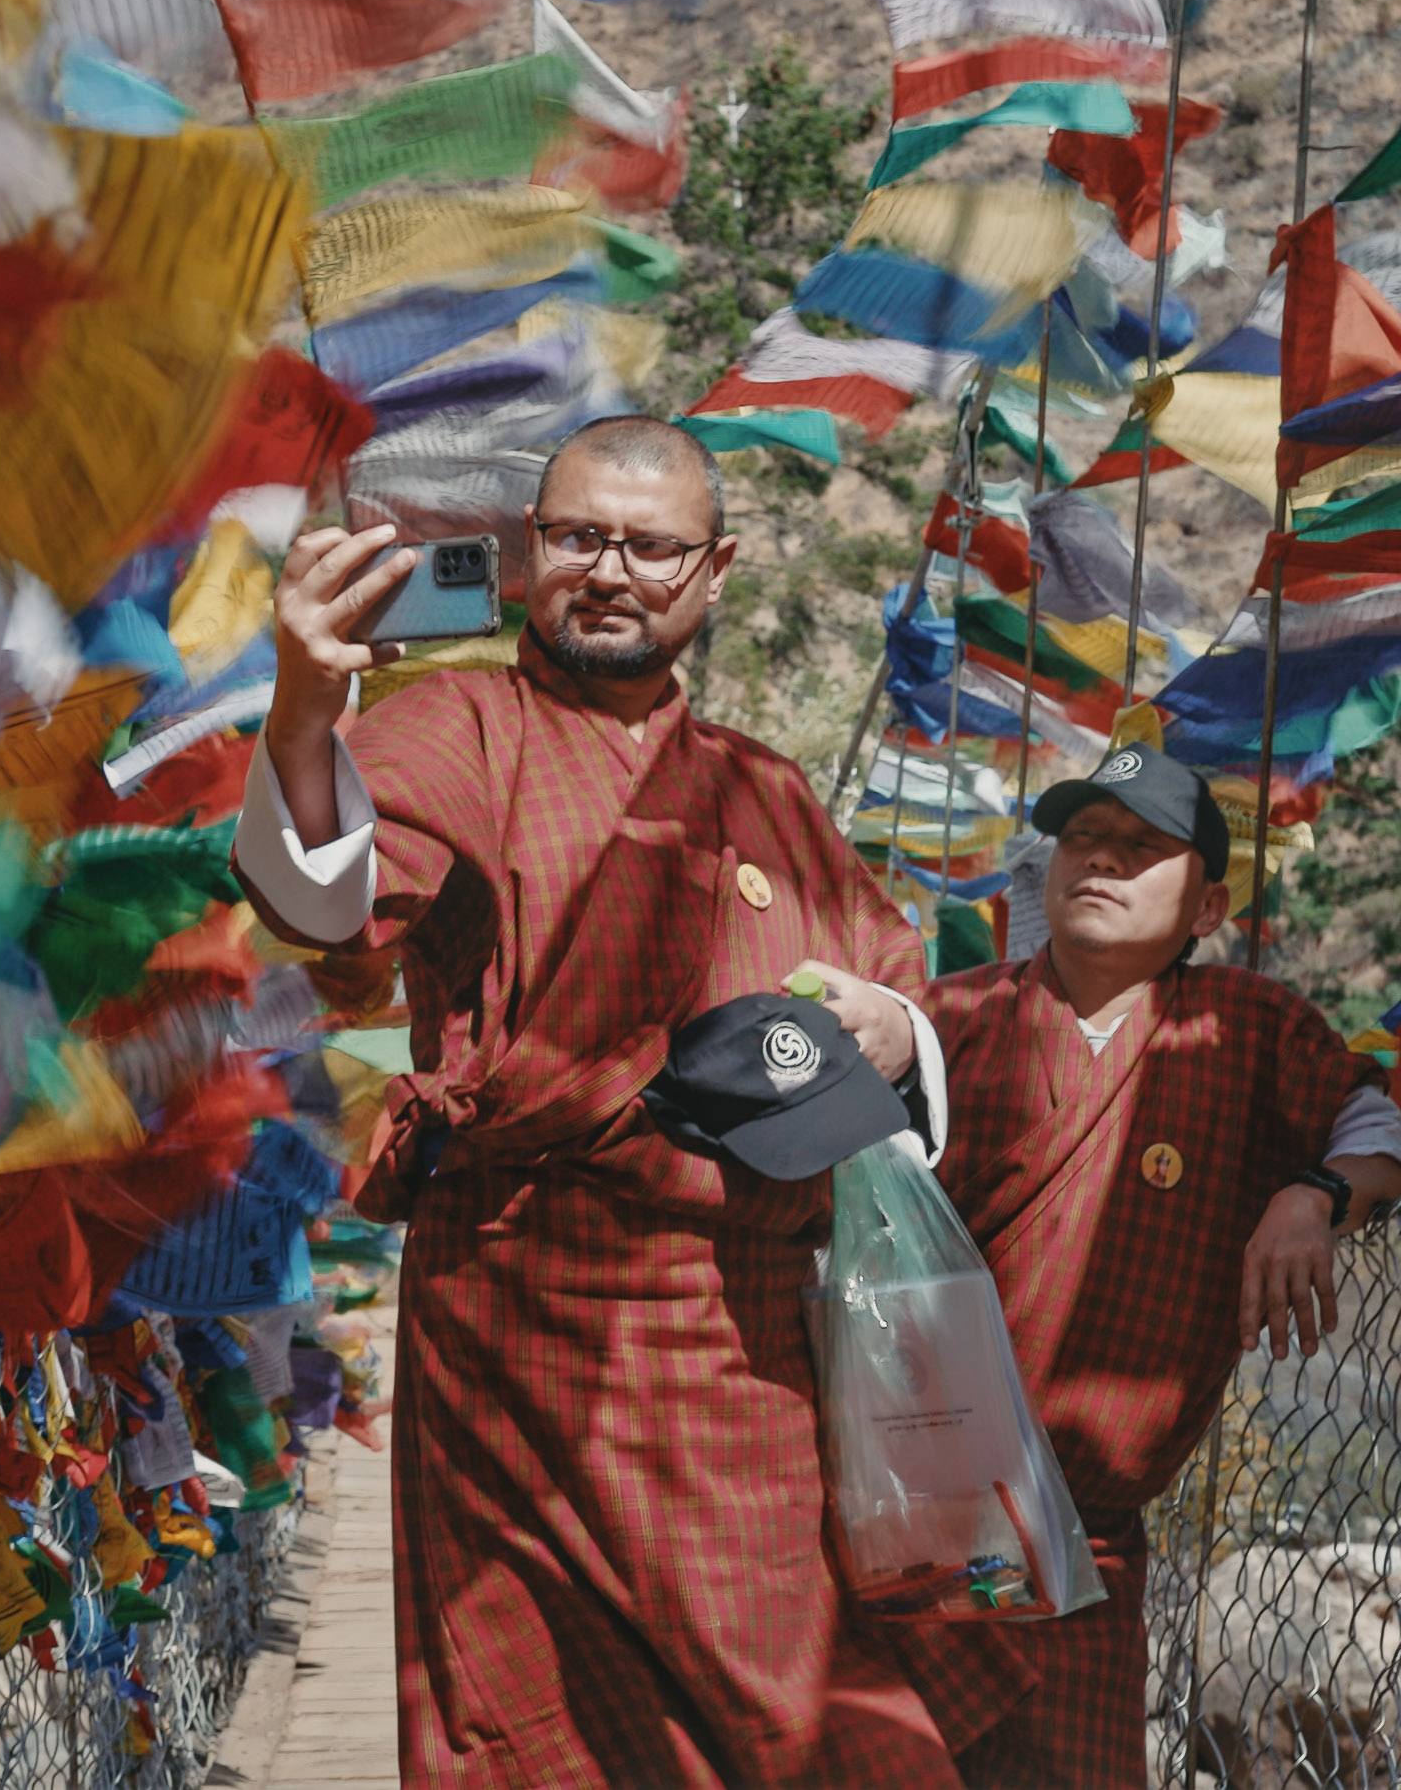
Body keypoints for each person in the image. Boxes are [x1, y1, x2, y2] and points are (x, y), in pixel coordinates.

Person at [233, 416, 969, 1788]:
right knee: (533, 1728)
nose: (612, 570)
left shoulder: (767, 787)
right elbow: (321, 904)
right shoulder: (457, 726)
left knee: (810, 1724)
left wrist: (891, 1026)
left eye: (651, 545)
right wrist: (302, 707)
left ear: (716, 568)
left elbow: (901, 992)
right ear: (527, 550)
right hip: (521, 1320)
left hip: (744, 1342)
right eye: (578, 536)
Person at [910, 741, 1401, 1787]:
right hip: (914, 1514)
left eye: (1141, 848)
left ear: (1208, 906)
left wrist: (1312, 1193)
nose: (1101, 860)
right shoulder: (947, 1019)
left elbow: (1384, 1134)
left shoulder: (1246, 1028)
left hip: (1084, 1537)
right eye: (1083, 838)